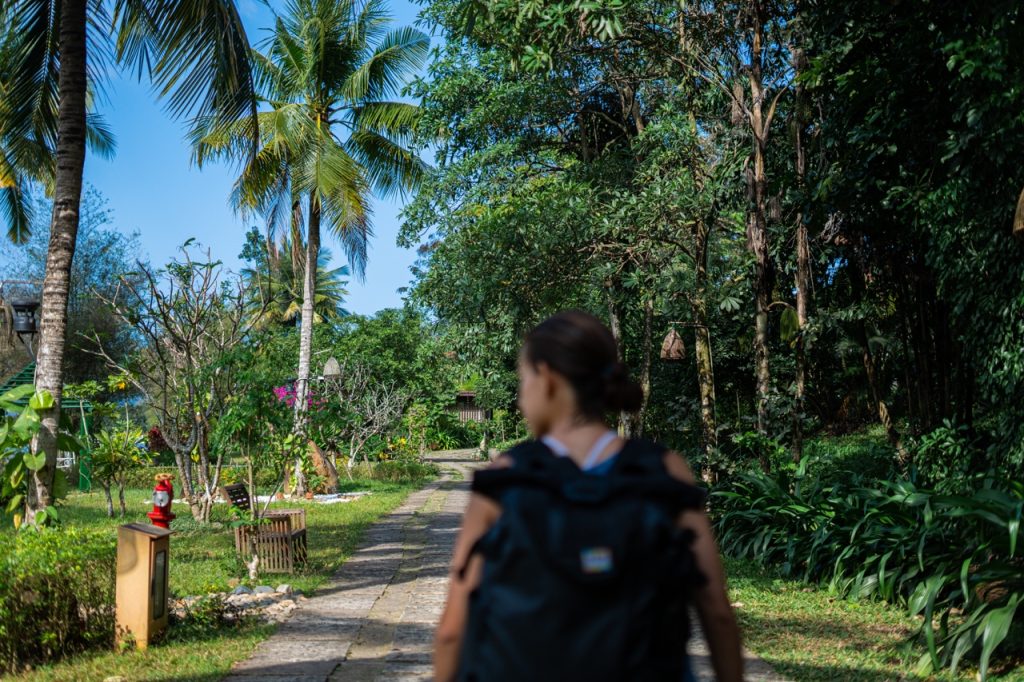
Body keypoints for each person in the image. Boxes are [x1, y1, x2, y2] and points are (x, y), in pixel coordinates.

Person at [433, 310, 743, 681]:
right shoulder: (664, 471)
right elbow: (716, 611)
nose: (520, 399)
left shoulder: (506, 479)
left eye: (523, 381)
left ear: (546, 380)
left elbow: (453, 630)